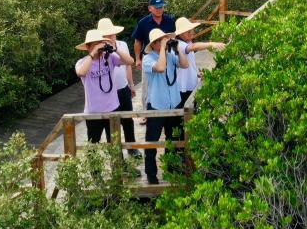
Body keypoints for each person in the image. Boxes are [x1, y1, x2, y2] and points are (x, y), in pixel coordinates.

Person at [140, 27, 188, 184]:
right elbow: (160, 68)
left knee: (173, 139)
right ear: (154, 44)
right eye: (161, 41)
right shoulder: (148, 59)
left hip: (173, 104)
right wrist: (162, 49)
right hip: (157, 106)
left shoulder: (170, 55)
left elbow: (185, 65)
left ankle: (171, 168)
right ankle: (151, 174)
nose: (164, 43)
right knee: (152, 142)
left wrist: (177, 49)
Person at [74, 28, 123, 144]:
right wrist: (93, 53)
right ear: (87, 46)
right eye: (95, 44)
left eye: (100, 43)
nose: (99, 46)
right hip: (93, 112)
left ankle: (117, 163)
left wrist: (115, 49)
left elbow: (130, 61)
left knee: (115, 144)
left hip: (112, 108)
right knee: (93, 145)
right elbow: (81, 72)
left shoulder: (110, 57)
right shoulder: (82, 62)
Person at [95, 18, 135, 149]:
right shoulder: (98, 50)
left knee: (128, 120)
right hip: (108, 94)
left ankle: (131, 148)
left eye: (112, 33)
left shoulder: (122, 44)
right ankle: (116, 153)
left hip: (123, 88)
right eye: (107, 34)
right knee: (111, 126)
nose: (111, 36)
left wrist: (131, 84)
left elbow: (129, 64)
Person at [173, 16, 225, 108]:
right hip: (183, 87)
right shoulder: (179, 44)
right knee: (184, 113)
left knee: (191, 110)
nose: (191, 33)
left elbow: (190, 63)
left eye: (191, 30)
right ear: (180, 34)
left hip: (189, 83)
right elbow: (194, 47)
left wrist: (196, 74)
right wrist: (211, 44)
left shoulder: (187, 42)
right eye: (188, 31)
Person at [133, 0, 175, 70]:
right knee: (148, 81)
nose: (159, 10)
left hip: (168, 55)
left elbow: (174, 37)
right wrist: (137, 59)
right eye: (156, 7)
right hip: (149, 57)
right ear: (150, 8)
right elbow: (137, 41)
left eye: (161, 7)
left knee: (170, 79)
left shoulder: (170, 20)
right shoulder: (143, 23)